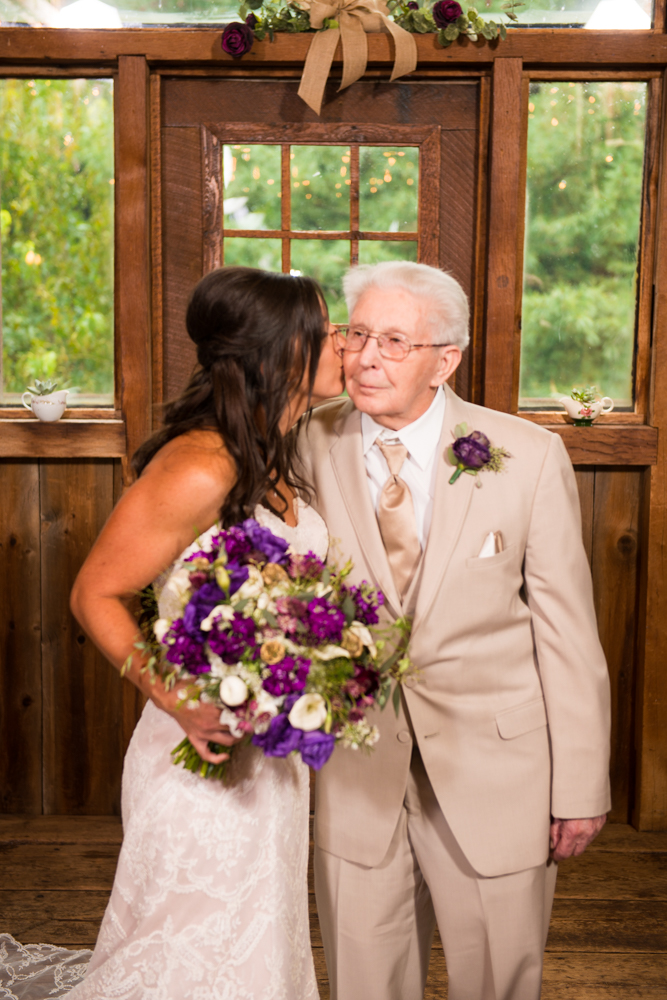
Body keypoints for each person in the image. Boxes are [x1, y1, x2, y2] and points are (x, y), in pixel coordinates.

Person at [298, 260, 611, 1000]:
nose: (365, 357)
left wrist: (579, 785)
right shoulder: (302, 444)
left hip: (496, 777)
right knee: (363, 983)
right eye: (357, 334)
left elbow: (567, 636)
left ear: (446, 360)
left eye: (394, 341)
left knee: (497, 982)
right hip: (353, 774)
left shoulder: (527, 456)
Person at [68, 266, 344, 999]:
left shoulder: (271, 447)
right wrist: (177, 699)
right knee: (192, 946)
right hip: (199, 744)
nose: (341, 340)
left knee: (256, 934)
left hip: (273, 752)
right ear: (282, 350)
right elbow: (94, 592)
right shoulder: (198, 465)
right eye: (326, 329)